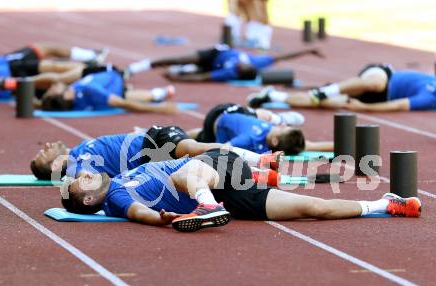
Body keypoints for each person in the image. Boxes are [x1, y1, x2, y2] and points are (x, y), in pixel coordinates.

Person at [60, 149, 421, 232]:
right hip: (228, 194)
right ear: (90, 199)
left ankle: (205, 205)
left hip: (214, 166)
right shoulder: (116, 198)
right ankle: (384, 203)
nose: (88, 175)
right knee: (314, 209)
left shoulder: (119, 178)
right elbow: (137, 213)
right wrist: (161, 218)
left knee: (184, 171)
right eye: (83, 182)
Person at [30, 126, 279, 182]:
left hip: (151, 149)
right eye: (44, 154)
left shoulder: (78, 152)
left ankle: (258, 175)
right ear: (53, 165)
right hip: (152, 148)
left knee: (199, 160)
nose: (46, 146)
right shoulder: (77, 164)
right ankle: (260, 161)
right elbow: (88, 179)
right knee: (195, 151)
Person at [247, 64, 436, 112]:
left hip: (378, 99)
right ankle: (326, 90)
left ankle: (273, 95)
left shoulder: (431, 97)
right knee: (377, 84)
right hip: (383, 75)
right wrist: (365, 109)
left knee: (323, 103)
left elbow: (400, 105)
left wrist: (364, 107)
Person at [187, 103, 333, 155]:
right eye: (283, 125)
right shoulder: (257, 137)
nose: (281, 127)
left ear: (275, 141)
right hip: (220, 114)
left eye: (282, 128)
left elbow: (223, 149)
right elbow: (224, 149)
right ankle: (278, 117)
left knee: (201, 138)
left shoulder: (250, 140)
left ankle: (186, 136)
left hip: (221, 128)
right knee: (261, 115)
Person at [137, 44, 323, 82]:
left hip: (211, 65)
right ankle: (146, 64)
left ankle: (182, 70)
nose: (243, 65)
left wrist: (177, 78)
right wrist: (308, 51)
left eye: (243, 69)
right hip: (215, 52)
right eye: (246, 66)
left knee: (185, 70)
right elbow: (283, 57)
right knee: (180, 59)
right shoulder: (257, 61)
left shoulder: (230, 73)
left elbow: (204, 77)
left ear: (241, 74)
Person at [38, 66, 176, 113]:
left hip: (105, 77)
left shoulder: (74, 93)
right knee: (126, 95)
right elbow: (123, 103)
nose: (52, 86)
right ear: (66, 96)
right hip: (113, 76)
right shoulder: (90, 91)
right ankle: (157, 94)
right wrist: (157, 109)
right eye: (52, 90)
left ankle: (155, 93)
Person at [0, 43, 108, 98]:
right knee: (55, 70)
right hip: (9, 69)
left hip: (7, 67)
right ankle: (92, 63)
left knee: (55, 69)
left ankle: (91, 64)